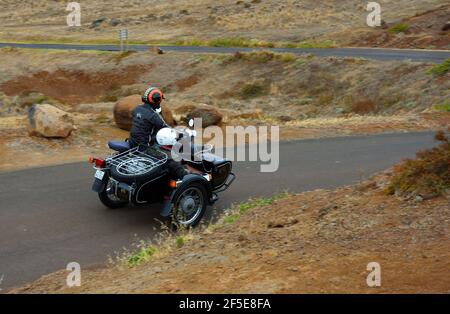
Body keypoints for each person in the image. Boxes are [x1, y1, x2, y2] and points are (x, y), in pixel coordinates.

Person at [128, 86, 188, 180]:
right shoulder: (153, 116)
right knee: (170, 161)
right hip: (145, 147)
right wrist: (180, 134)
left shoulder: (137, 109)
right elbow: (167, 129)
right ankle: (187, 180)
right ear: (157, 100)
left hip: (131, 142)